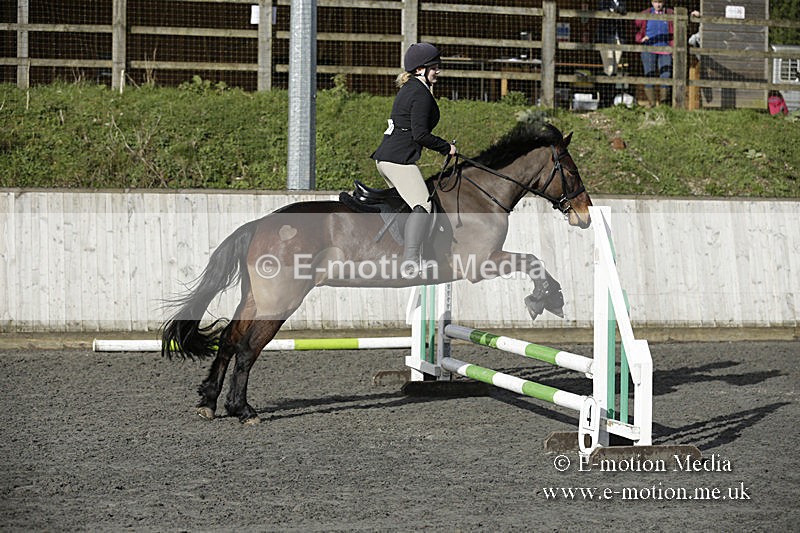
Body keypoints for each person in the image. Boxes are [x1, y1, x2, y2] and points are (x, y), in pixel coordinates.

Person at [371, 42, 457, 276]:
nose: (437, 71)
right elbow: (421, 135)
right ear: (421, 69)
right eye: (434, 67)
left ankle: (414, 252)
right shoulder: (420, 93)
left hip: (387, 159)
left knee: (410, 208)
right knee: (423, 204)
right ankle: (410, 260)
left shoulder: (409, 88)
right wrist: (445, 147)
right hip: (398, 160)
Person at [635, 0, 674, 106]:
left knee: (666, 75)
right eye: (656, 2)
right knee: (649, 74)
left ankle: (664, 104)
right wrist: (640, 38)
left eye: (660, 2)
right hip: (648, 49)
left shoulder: (670, 13)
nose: (658, 5)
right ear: (652, 2)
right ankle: (652, 104)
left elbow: (678, 26)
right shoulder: (646, 14)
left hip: (665, 50)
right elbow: (633, 25)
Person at [597, 0, 627, 77]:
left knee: (615, 68)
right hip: (606, 37)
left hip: (619, 37)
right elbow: (603, 10)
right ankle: (605, 88)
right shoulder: (603, 1)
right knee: (609, 68)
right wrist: (616, 10)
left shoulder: (622, 1)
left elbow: (624, 10)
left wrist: (613, 10)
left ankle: (611, 88)